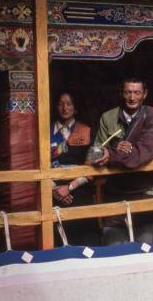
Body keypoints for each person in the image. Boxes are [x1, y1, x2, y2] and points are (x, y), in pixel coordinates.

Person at [90, 78, 153, 245]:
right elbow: (93, 155)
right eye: (127, 92)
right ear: (121, 93)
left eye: (137, 92)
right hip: (115, 191)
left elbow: (143, 154)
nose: (132, 97)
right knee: (113, 250)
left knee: (143, 251)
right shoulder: (108, 117)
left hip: (145, 191)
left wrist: (111, 153)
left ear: (144, 94)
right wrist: (115, 148)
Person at [50, 91, 98, 245]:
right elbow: (37, 164)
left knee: (85, 243)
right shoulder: (44, 132)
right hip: (51, 193)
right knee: (56, 243)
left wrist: (69, 187)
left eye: (69, 104)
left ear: (75, 108)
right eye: (61, 103)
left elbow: (92, 166)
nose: (65, 108)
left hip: (80, 191)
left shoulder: (87, 130)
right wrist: (54, 189)